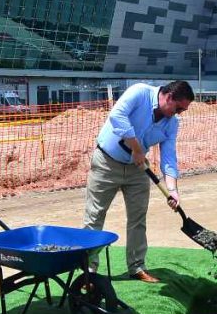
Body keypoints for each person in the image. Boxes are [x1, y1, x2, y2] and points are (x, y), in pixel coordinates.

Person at [83, 80, 194, 282]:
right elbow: (117, 116)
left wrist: (172, 190)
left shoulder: (172, 123)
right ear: (169, 97)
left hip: (138, 169)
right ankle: (89, 272)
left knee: (138, 218)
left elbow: (169, 157)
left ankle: (136, 267)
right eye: (178, 108)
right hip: (107, 162)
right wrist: (136, 148)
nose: (178, 113)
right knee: (95, 216)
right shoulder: (139, 92)